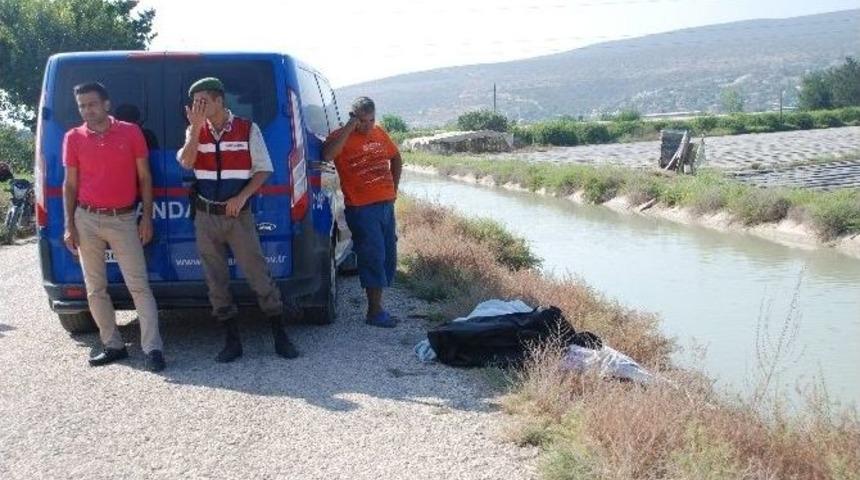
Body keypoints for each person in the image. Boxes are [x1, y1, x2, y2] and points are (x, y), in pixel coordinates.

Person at [177, 77, 298, 363]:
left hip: (238, 217)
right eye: (194, 103)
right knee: (215, 280)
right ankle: (232, 341)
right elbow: (187, 162)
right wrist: (195, 130)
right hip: (206, 217)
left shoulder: (247, 129)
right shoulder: (194, 130)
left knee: (258, 275)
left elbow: (264, 169)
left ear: (219, 100)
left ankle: (280, 335)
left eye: (202, 102)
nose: (197, 107)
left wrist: (242, 197)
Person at [62, 82, 164, 371]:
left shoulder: (130, 132)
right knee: (95, 289)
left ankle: (153, 349)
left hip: (123, 219)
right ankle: (113, 345)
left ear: (106, 104)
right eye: (82, 105)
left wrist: (147, 217)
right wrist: (69, 225)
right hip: (86, 218)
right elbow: (70, 185)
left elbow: (145, 178)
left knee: (139, 286)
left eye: (92, 104)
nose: (87, 110)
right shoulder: (73, 137)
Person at [322, 97, 402, 328]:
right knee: (372, 257)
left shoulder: (379, 133)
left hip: (385, 205)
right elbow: (327, 155)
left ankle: (379, 307)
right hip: (362, 208)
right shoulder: (340, 136)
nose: (367, 126)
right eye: (362, 121)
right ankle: (374, 312)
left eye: (371, 120)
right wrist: (349, 127)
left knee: (387, 256)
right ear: (353, 117)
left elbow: (396, 157)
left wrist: (394, 190)